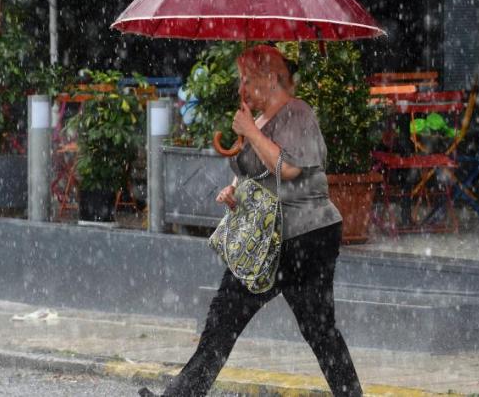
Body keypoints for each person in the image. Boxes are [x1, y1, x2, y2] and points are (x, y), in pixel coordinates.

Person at [139, 45, 362, 397]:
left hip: (304, 237)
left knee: (317, 328)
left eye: (248, 79)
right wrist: (233, 192)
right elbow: (256, 176)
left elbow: (288, 168)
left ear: (272, 78)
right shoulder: (257, 119)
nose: (241, 87)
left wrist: (251, 132)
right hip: (268, 238)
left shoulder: (298, 114)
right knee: (224, 319)